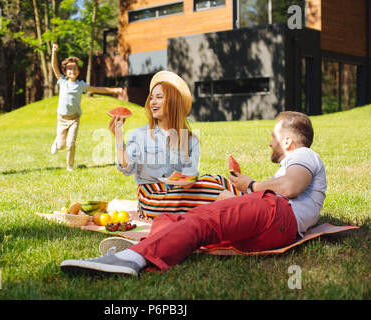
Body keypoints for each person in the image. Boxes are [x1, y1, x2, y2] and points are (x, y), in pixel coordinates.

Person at [60, 111, 327, 276]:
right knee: (178, 222)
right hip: (273, 230)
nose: (270, 141)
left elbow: (292, 187)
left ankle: (131, 258)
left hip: (277, 214)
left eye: (273, 136)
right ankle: (150, 246)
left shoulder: (304, 155)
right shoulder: (293, 163)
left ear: (288, 141)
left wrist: (251, 185)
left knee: (200, 222)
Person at [109, 71, 240, 220]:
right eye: (151, 98)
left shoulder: (190, 139)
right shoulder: (140, 134)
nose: (152, 102)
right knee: (209, 186)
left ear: (173, 102)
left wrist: (189, 180)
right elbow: (127, 168)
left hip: (181, 194)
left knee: (218, 180)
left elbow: (190, 175)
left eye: (159, 97)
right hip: (153, 201)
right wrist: (118, 137)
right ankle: (246, 210)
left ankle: (251, 204)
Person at [50, 43, 123, 171]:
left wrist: (114, 90)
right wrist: (54, 52)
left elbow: (98, 89)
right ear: (65, 72)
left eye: (74, 68)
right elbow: (53, 66)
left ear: (78, 71)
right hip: (62, 119)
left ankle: (69, 166)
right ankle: (57, 141)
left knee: (71, 143)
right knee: (61, 146)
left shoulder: (81, 85)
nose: (72, 71)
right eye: (69, 69)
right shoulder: (62, 81)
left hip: (74, 119)